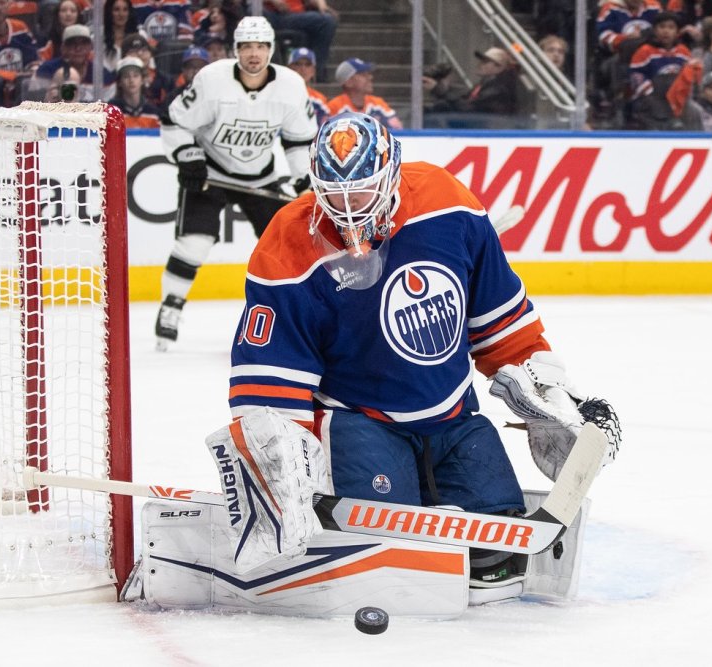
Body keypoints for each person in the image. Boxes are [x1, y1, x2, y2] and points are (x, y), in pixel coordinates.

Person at [226, 111, 620, 595]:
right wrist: (281, 467)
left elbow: (498, 317)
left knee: (498, 559)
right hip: (358, 417)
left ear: (391, 173)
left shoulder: (446, 201)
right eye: (334, 194)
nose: (348, 207)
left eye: (361, 191)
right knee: (389, 556)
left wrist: (544, 389)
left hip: (451, 415)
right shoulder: (286, 242)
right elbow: (272, 377)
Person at [154, 16, 316, 350]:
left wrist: (304, 180)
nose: (254, 54)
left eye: (261, 46)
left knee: (284, 247)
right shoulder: (212, 80)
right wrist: (187, 155)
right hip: (210, 173)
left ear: (271, 49)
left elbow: (299, 140)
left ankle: (287, 316)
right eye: (246, 47)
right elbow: (174, 119)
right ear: (235, 50)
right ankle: (171, 306)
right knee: (194, 243)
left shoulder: (290, 86)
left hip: (262, 177)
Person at [33, 24, 116, 102]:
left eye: (83, 43)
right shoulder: (47, 70)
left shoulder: (103, 75)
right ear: (63, 48)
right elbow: (36, 101)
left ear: (90, 47)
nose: (78, 48)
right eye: (72, 43)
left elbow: (108, 107)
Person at [263, 0, 337, 82]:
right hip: (275, 15)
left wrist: (322, 7)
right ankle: (317, 72)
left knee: (327, 19)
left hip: (299, 14)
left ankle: (315, 71)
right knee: (326, 21)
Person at [326, 57, 403, 129]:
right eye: (363, 75)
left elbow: (397, 129)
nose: (370, 77)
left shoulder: (378, 104)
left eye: (368, 74)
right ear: (349, 82)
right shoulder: (334, 107)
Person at [456, 47, 520, 115]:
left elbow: (472, 106)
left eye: (485, 62)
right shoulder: (486, 82)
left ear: (499, 67)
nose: (480, 64)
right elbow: (466, 98)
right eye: (481, 60)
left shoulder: (499, 89)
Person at [121, 33, 173, 107]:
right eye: (133, 51)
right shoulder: (118, 81)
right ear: (124, 56)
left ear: (150, 54)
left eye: (144, 50)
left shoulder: (166, 80)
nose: (140, 54)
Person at [110, 56, 161, 128]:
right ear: (119, 82)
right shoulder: (110, 112)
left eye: (136, 76)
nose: (131, 80)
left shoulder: (153, 114)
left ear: (142, 80)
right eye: (126, 76)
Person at [287, 46, 330, 127]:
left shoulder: (319, 100)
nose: (303, 69)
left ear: (313, 70)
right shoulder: (280, 94)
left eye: (308, 64)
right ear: (289, 68)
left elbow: (325, 128)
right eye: (298, 64)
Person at [102, 0, 142, 71]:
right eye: (116, 10)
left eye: (125, 10)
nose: (121, 14)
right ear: (109, 12)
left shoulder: (140, 35)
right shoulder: (98, 38)